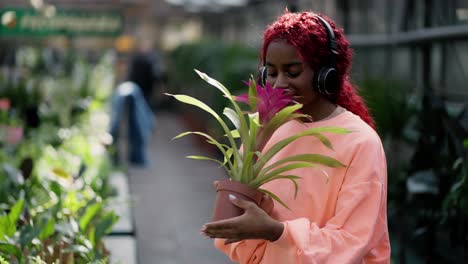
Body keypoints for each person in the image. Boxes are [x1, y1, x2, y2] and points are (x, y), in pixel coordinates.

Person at [200, 9, 391, 263]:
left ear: (327, 75)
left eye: (292, 72)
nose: (278, 83)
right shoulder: (268, 129)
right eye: (271, 71)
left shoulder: (360, 142)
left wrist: (275, 231)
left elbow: (352, 241)